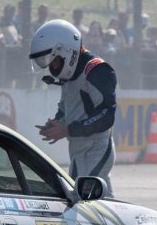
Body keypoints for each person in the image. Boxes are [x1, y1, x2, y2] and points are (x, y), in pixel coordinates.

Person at [29, 20, 117, 194]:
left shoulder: (97, 70)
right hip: (77, 148)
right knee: (97, 200)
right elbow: (66, 107)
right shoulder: (69, 76)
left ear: (66, 51)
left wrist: (67, 130)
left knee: (82, 197)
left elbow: (107, 115)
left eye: (53, 61)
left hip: (97, 147)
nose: (52, 67)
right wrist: (56, 123)